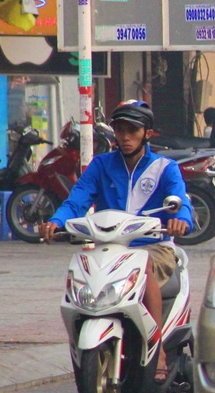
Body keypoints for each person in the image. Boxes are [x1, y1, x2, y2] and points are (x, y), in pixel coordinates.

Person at [39, 101, 194, 378]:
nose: (125, 137)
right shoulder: (101, 165)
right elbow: (77, 199)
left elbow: (180, 199)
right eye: (120, 130)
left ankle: (157, 348)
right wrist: (56, 221)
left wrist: (180, 219)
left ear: (147, 133)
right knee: (80, 272)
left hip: (153, 247)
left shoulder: (165, 167)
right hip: (108, 249)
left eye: (132, 130)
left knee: (143, 266)